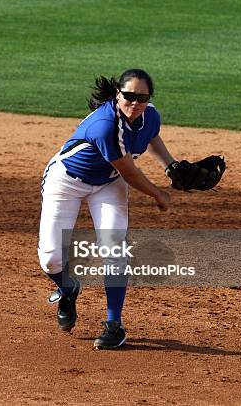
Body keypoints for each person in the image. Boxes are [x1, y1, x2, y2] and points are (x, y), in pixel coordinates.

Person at [37, 69, 174, 350]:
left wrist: (170, 165)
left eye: (143, 97)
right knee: (51, 259)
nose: (135, 103)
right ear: (117, 94)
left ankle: (114, 324)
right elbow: (132, 174)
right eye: (130, 96)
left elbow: (152, 136)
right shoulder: (105, 125)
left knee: (114, 249)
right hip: (67, 182)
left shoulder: (150, 114)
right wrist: (159, 194)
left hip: (109, 184)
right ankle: (68, 288)